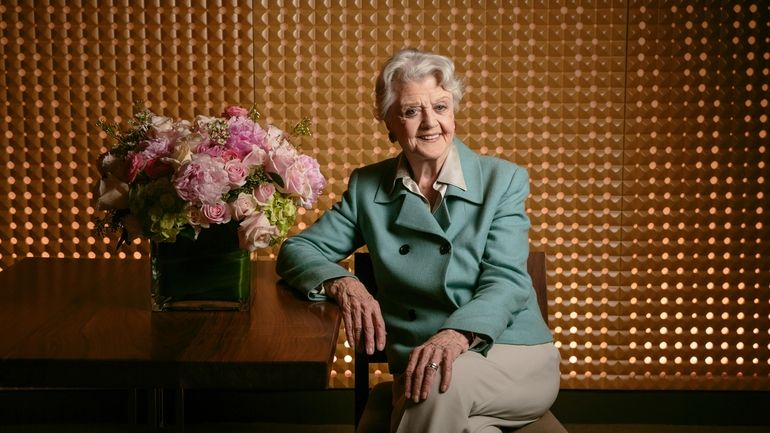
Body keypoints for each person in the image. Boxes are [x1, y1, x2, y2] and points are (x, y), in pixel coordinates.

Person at [277, 48, 560, 433]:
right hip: (421, 365)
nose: (431, 123)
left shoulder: (502, 180)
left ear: (454, 112)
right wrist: (345, 284)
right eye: (412, 111)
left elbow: (506, 282)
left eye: (441, 107)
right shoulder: (367, 187)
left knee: (434, 386)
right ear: (389, 123)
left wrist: (454, 336)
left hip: (511, 352)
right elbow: (298, 249)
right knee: (449, 405)